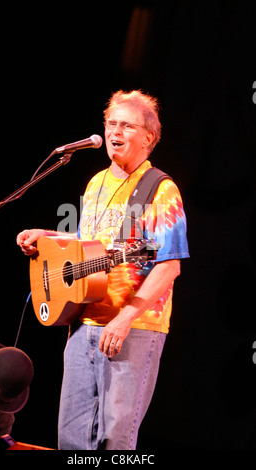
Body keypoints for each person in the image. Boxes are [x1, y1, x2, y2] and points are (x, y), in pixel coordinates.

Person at [16, 90, 189, 450]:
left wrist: (124, 318)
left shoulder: (160, 188)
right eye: (111, 123)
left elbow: (168, 265)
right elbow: (88, 244)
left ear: (149, 137)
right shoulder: (95, 183)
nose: (115, 131)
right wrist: (46, 237)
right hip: (83, 322)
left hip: (133, 329)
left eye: (126, 125)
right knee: (71, 439)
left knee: (115, 440)